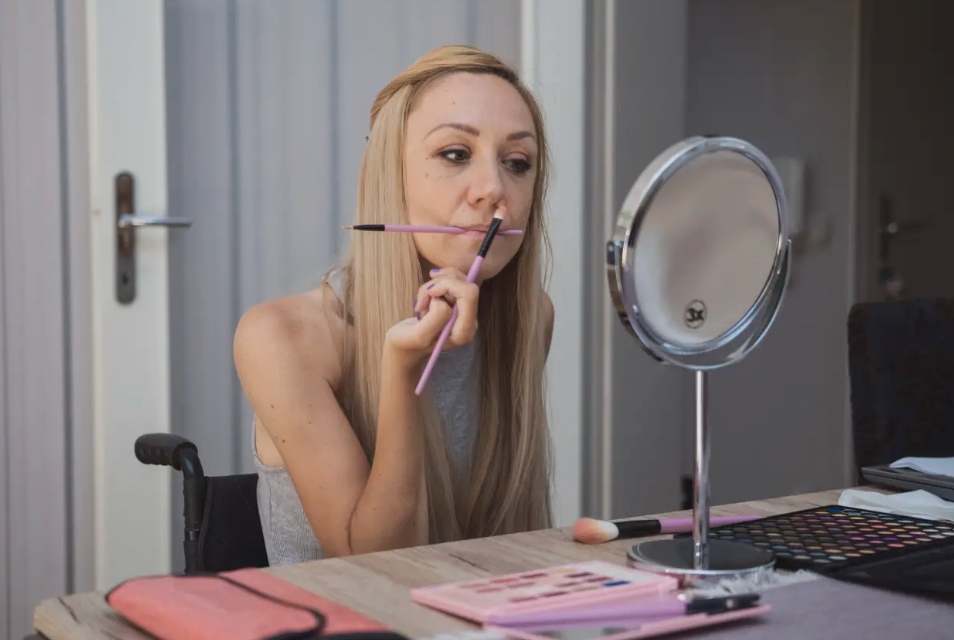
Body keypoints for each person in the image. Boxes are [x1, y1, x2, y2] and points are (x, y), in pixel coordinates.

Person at [233, 44, 555, 565]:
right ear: (389, 173)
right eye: (455, 154)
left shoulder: (530, 318)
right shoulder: (284, 337)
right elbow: (379, 563)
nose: (494, 189)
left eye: (517, 163)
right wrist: (403, 370)